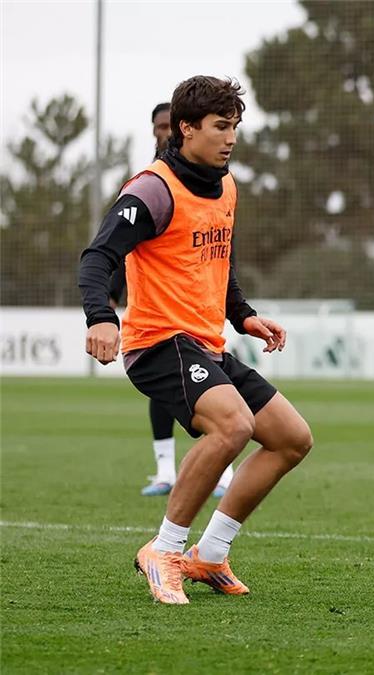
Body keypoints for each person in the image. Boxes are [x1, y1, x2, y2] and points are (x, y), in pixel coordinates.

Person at [79, 76, 313, 604]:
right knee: (234, 426)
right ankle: (163, 550)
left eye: (235, 127)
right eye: (220, 126)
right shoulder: (152, 189)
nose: (231, 138)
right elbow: (98, 256)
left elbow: (218, 260)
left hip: (205, 344)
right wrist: (101, 316)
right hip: (158, 342)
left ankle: (209, 554)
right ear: (186, 128)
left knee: (292, 438)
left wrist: (243, 316)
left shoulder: (225, 185)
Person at [111, 102, 234, 498]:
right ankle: (167, 472)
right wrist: (106, 303)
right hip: (161, 323)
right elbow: (118, 249)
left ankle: (220, 472)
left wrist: (242, 312)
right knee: (192, 400)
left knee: (248, 419)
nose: (164, 132)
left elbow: (219, 250)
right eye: (159, 126)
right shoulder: (152, 184)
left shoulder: (218, 181)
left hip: (203, 318)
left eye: (168, 125)